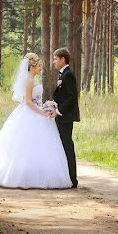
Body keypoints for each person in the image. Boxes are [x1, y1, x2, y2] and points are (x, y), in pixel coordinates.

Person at [0, 52, 72, 189]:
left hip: (36, 111)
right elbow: (28, 102)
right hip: (29, 113)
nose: (41, 68)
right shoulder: (29, 80)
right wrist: (42, 113)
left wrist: (45, 106)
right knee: (25, 145)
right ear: (32, 67)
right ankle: (20, 176)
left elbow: (35, 101)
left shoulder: (32, 79)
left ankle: (34, 174)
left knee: (37, 146)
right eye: (39, 66)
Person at [51, 47, 80, 188]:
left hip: (66, 117)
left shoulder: (68, 75)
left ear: (63, 59)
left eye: (55, 59)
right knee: (63, 146)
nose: (53, 62)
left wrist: (59, 111)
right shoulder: (63, 74)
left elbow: (72, 97)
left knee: (67, 147)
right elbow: (63, 97)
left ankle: (72, 180)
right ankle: (67, 178)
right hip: (62, 116)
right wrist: (53, 105)